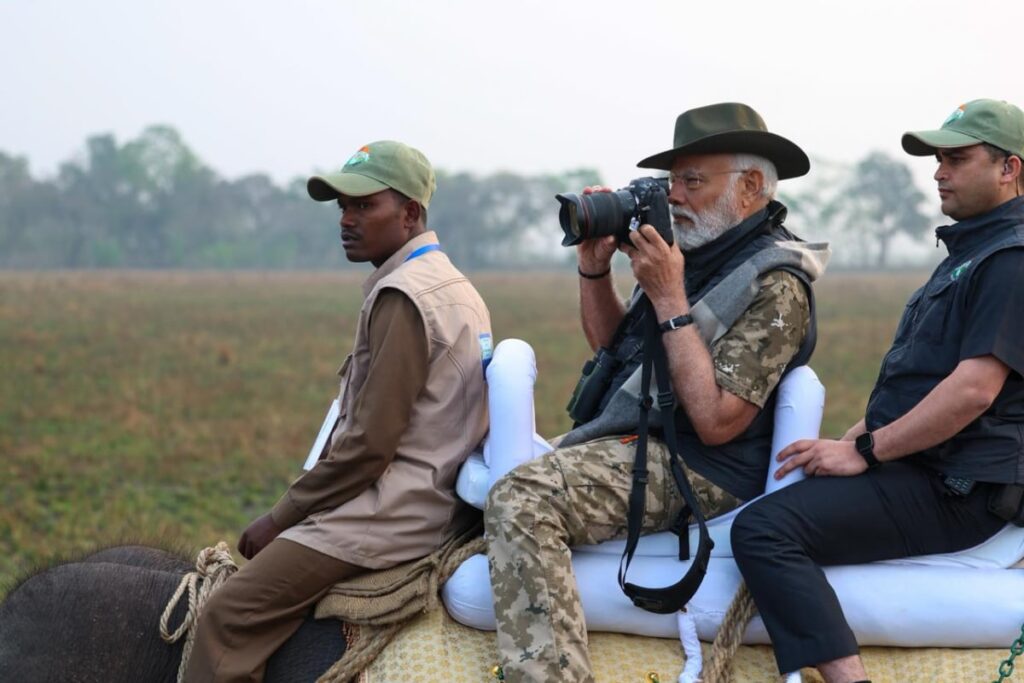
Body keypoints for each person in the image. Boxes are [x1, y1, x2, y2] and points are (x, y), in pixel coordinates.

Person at [484, 102, 830, 682]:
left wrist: (670, 298)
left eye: (693, 181)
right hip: (641, 438)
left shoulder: (776, 283)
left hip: (703, 463)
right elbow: (614, 350)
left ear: (749, 188)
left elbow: (719, 421)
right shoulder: (691, 253)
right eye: (672, 181)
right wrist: (595, 269)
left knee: (523, 497)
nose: (675, 196)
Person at [732, 98, 1024, 683]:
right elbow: (929, 381)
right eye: (938, 159)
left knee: (764, 530)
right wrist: (857, 436)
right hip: (929, 467)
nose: (939, 171)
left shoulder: (1010, 259)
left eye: (957, 158)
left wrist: (865, 452)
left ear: (1009, 169)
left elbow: (972, 391)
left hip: (959, 487)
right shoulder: (971, 253)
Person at [183, 140, 493, 682]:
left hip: (393, 512)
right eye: (342, 208)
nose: (347, 220)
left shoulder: (403, 295)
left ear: (410, 213)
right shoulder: (451, 284)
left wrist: (279, 518)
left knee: (228, 616)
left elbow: (368, 449)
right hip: (430, 499)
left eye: (364, 206)